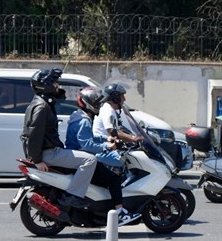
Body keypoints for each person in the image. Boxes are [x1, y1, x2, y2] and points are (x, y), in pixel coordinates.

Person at [21, 68, 97, 205]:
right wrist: (37, 160)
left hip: (47, 151)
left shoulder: (41, 103)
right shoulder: (42, 107)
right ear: (46, 85)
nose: (58, 86)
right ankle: (73, 196)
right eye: (54, 83)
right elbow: (34, 134)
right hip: (48, 153)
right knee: (90, 160)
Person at [66, 87, 136, 226]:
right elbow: (86, 144)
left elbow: (90, 138)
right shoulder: (84, 121)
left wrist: (105, 140)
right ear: (89, 104)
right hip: (83, 158)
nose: (99, 106)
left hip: (81, 157)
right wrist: (106, 146)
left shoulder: (80, 117)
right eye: (97, 103)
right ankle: (119, 212)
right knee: (114, 177)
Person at [94, 82, 144, 147]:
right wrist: (134, 138)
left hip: (109, 145)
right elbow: (113, 132)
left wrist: (130, 136)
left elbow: (118, 130)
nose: (124, 99)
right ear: (116, 97)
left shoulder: (110, 109)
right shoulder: (108, 110)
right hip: (103, 148)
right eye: (122, 96)